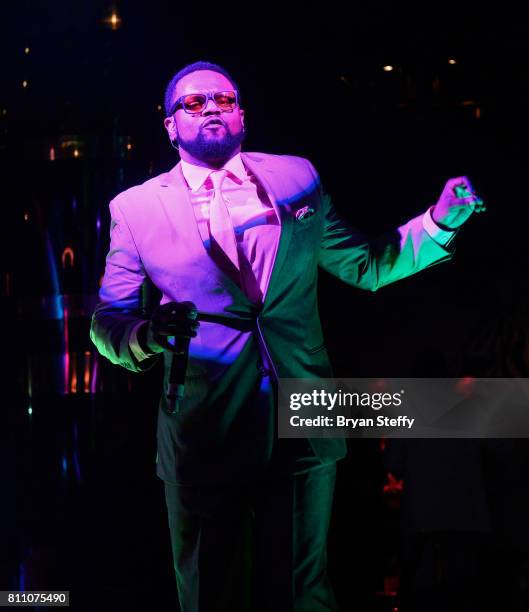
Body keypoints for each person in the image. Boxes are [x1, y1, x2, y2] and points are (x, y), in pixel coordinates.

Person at [90, 60, 484, 611]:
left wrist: (438, 223)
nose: (210, 109)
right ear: (170, 126)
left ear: (243, 116)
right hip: (205, 428)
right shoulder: (134, 210)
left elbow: (366, 264)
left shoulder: (297, 178)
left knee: (305, 594)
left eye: (224, 100)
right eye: (194, 102)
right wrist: (148, 335)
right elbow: (108, 324)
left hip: (305, 415)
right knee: (212, 594)